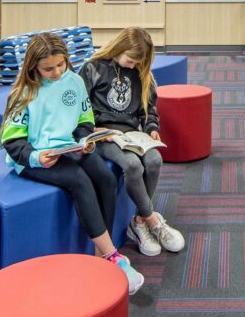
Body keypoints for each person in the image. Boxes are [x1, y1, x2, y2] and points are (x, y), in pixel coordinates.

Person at [0, 32, 144, 295]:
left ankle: (102, 250)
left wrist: (84, 139)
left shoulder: (74, 81)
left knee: (105, 176)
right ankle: (113, 256)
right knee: (79, 181)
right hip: (34, 155)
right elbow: (12, 140)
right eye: (48, 68)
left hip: (67, 145)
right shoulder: (23, 93)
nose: (56, 72)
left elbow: (83, 119)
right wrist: (36, 157)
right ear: (33, 66)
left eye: (60, 65)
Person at [79, 27, 185, 257]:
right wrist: (93, 130)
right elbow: (79, 108)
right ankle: (152, 220)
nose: (133, 66)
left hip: (131, 133)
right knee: (133, 165)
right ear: (119, 49)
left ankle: (138, 221)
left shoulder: (140, 72)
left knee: (155, 159)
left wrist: (152, 128)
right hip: (103, 133)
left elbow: (148, 110)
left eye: (138, 62)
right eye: (130, 60)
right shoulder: (92, 68)